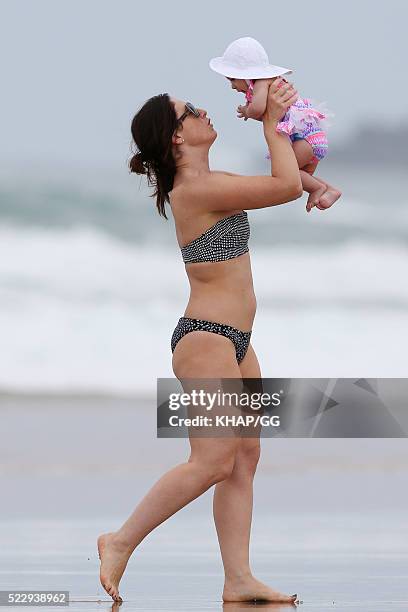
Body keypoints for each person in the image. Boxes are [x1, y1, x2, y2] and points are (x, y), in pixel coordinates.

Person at [97, 78, 302, 604]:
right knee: (211, 460)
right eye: (191, 111)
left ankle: (238, 578)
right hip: (206, 340)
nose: (204, 112)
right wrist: (268, 121)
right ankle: (120, 541)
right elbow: (283, 187)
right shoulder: (197, 189)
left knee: (245, 458)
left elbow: (289, 175)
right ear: (176, 139)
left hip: (237, 340)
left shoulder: (213, 181)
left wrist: (311, 175)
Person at [210, 36, 342, 212]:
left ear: (245, 74)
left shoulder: (262, 83)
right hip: (310, 138)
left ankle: (318, 188)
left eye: (232, 79)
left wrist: (246, 111)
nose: (232, 86)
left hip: (304, 140)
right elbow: (269, 116)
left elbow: (257, 110)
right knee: (298, 176)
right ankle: (330, 190)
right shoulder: (267, 84)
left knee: (287, 174)